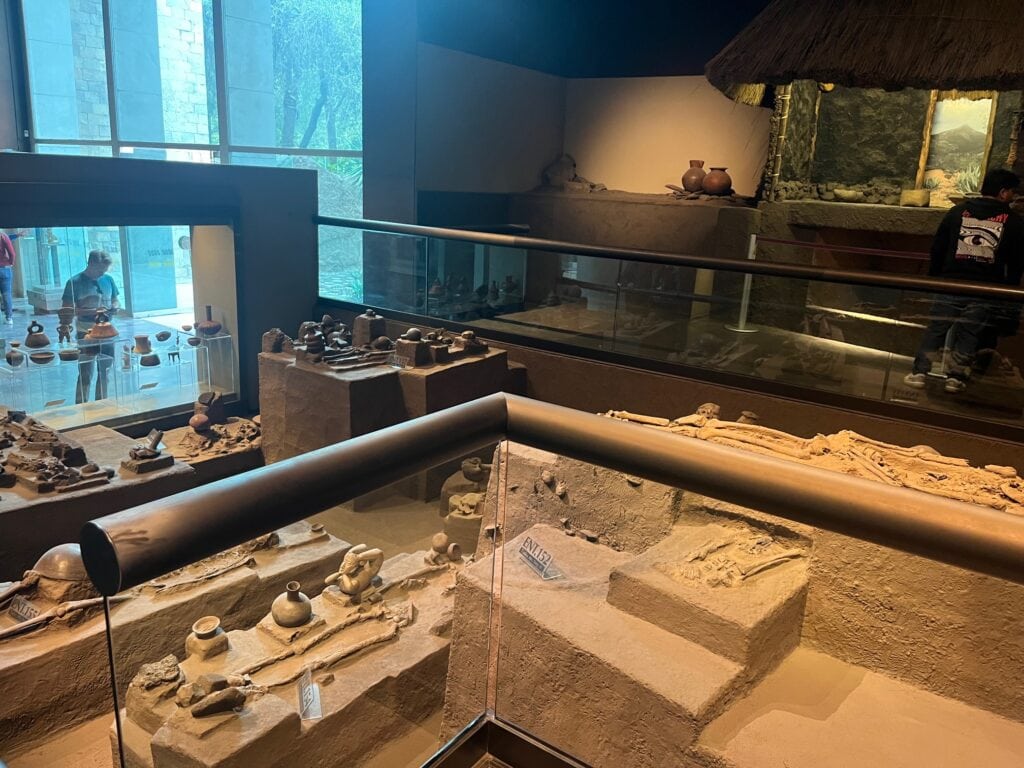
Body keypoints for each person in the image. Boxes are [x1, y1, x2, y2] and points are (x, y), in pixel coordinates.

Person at [904, 168, 1024, 394]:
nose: (1013, 197)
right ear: (1003, 192)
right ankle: (955, 377)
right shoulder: (1014, 222)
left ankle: (920, 371)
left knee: (936, 329)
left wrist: (935, 276)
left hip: (951, 283)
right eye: (1012, 192)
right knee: (969, 334)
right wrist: (1008, 289)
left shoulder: (957, 212)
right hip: (985, 288)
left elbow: (938, 247)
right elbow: (1017, 261)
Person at [62, 250, 120, 403]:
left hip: (108, 332)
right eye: (101, 269)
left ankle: (102, 403)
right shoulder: (74, 282)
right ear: (92, 264)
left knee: (105, 370)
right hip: (85, 331)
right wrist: (94, 311)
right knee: (85, 372)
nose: (103, 273)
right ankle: (81, 406)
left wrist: (115, 306)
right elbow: (67, 310)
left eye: (105, 270)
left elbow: (115, 299)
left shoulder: (108, 279)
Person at [0, 230, 16, 325]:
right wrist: (11, 263)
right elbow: (12, 253)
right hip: (4, 268)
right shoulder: (3, 236)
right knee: (6, 294)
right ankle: (9, 318)